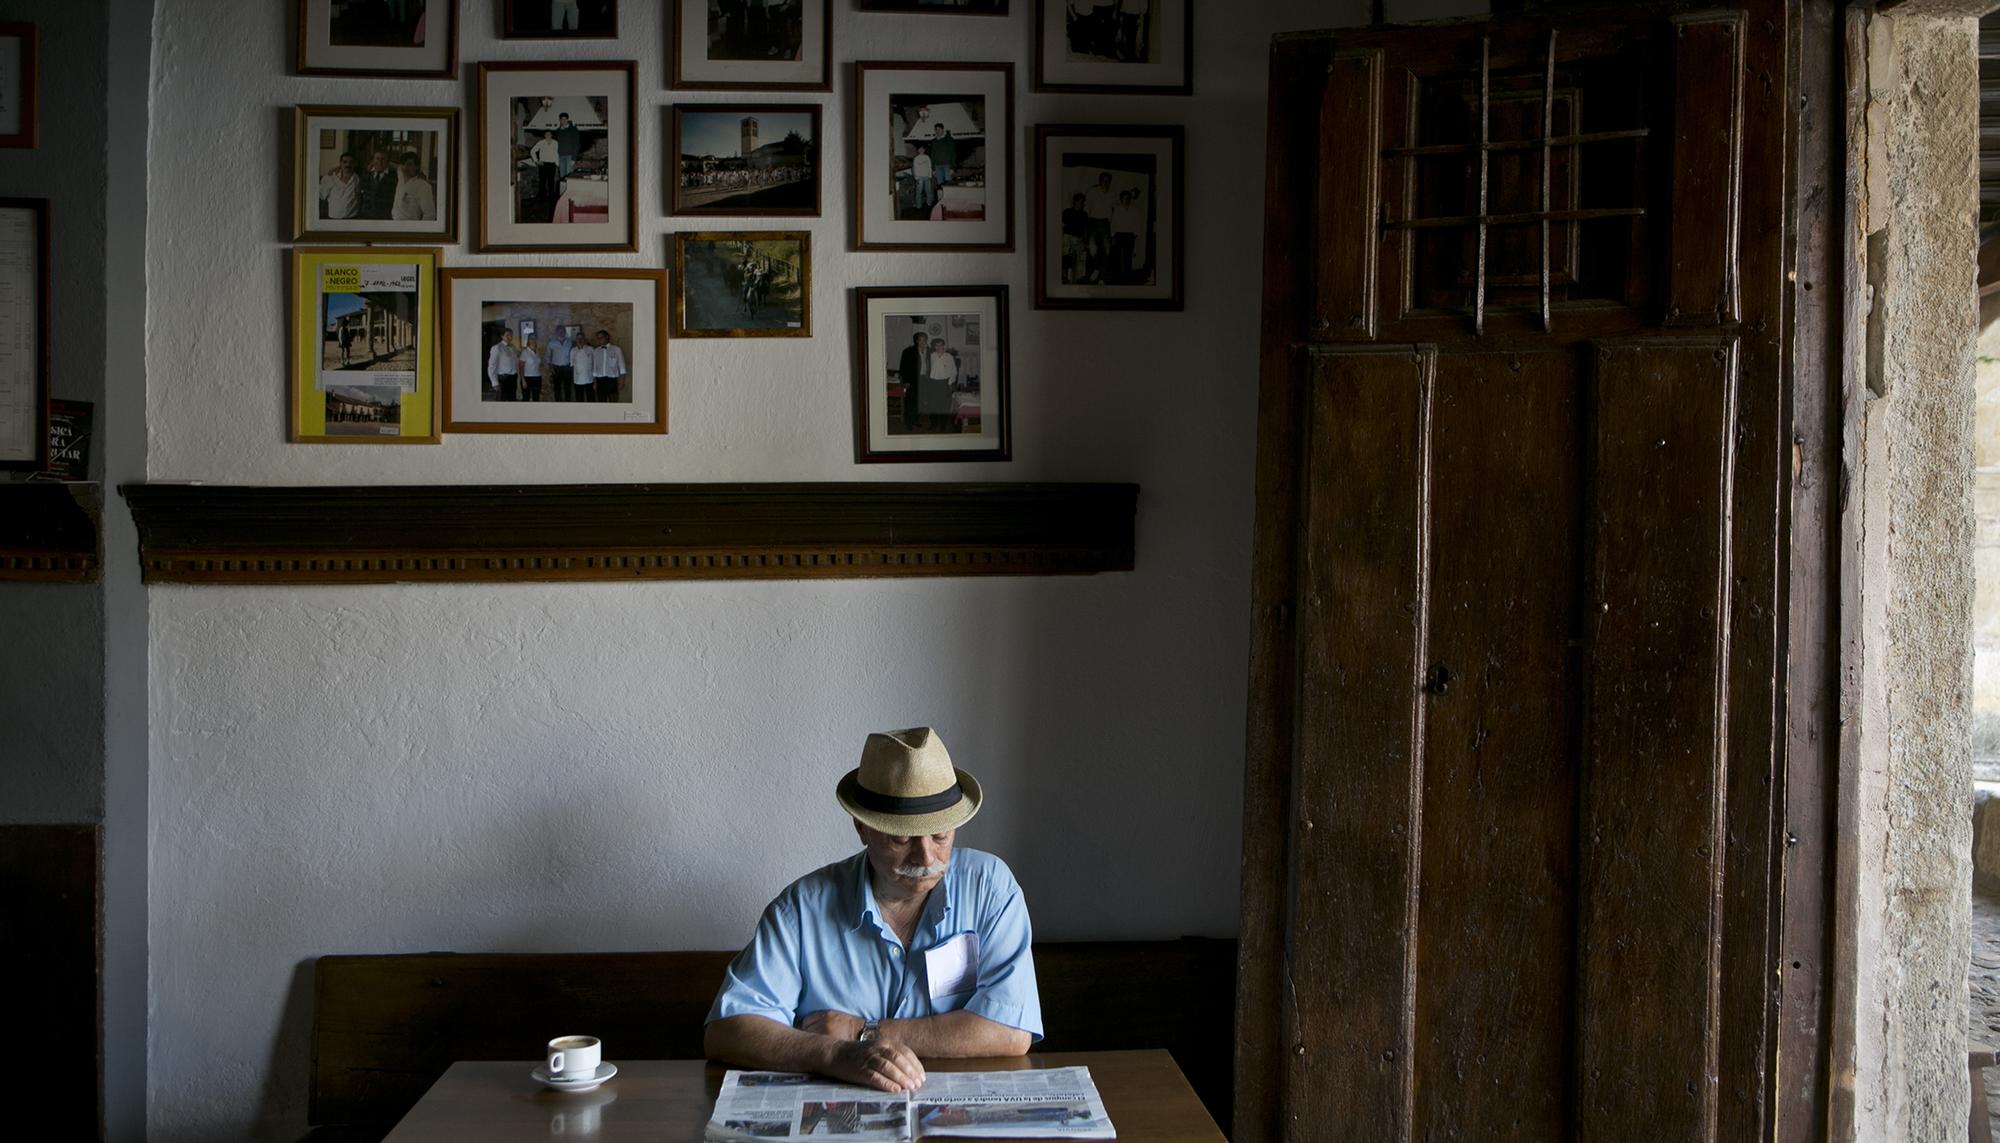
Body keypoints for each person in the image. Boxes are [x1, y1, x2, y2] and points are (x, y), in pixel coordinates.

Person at [704, 728, 1041, 1093]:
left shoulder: (990, 889)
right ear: (862, 828)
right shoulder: (802, 909)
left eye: (940, 835)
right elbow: (727, 1030)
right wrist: (834, 1055)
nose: (926, 856)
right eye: (902, 838)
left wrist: (862, 1031)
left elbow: (1011, 1032)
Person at [1083, 173, 1117, 284]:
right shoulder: (1092, 191)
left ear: (1110, 182)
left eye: (1108, 180)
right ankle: (1097, 268)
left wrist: (1112, 226)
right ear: (1100, 180)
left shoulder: (1113, 194)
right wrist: (1087, 225)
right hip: (1093, 222)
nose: (1106, 182)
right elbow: (1086, 208)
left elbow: (1115, 210)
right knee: (1092, 249)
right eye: (1104, 180)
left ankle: (1102, 276)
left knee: (1107, 250)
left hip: (1106, 223)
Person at [1110, 188, 1143, 283]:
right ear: (1121, 199)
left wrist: (1135, 234)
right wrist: (1113, 236)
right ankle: (1117, 276)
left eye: (1128, 198)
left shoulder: (1134, 209)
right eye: (1124, 198)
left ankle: (1127, 277)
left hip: (1129, 235)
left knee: (1128, 256)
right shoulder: (1117, 209)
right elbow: (1113, 223)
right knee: (1117, 256)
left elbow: (1137, 222)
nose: (1126, 200)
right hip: (1119, 235)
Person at [391, 152, 436, 221]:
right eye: (403, 164)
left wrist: (417, 227)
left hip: (409, 225)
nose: (405, 167)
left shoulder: (423, 186)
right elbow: (393, 165)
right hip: (394, 222)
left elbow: (430, 215)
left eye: (409, 164)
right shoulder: (400, 176)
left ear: (417, 167)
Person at [897, 332, 927, 433]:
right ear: (916, 340)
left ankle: (915, 420)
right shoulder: (908, 351)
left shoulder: (928, 351)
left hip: (924, 380)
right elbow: (903, 367)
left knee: (920, 402)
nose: (922, 342)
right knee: (910, 402)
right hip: (912, 380)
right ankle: (908, 423)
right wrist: (906, 381)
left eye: (924, 340)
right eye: (920, 340)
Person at [319, 152, 361, 221]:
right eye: (345, 162)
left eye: (351, 162)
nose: (348, 164)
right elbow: (322, 195)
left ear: (354, 164)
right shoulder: (330, 177)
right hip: (334, 218)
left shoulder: (357, 178)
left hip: (352, 218)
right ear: (340, 163)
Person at [588, 329, 626, 402]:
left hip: (612, 381)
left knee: (613, 401)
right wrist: (595, 382)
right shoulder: (596, 351)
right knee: (601, 402)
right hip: (600, 381)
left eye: (601, 337)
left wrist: (622, 382)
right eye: (598, 338)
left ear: (607, 337)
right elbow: (595, 368)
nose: (599, 339)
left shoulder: (617, 349)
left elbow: (622, 367)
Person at [359, 150, 398, 220]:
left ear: (388, 161)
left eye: (383, 159)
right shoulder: (365, 175)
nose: (380, 162)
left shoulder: (395, 177)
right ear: (373, 161)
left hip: (384, 218)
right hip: (366, 217)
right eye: (377, 158)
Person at [1060, 192, 1089, 283]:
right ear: (1074, 202)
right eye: (1079, 201)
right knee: (1066, 256)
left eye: (1082, 202)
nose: (1081, 203)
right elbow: (1062, 226)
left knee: (1080, 260)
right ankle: (1065, 276)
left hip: (1079, 239)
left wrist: (1085, 241)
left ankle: (1077, 279)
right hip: (1068, 237)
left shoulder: (1084, 214)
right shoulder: (1067, 212)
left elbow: (1085, 229)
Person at [486, 329, 520, 402]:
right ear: (502, 336)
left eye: (511, 335)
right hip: (503, 379)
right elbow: (491, 366)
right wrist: (494, 382)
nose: (510, 337)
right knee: (502, 401)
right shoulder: (497, 348)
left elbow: (517, 356)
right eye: (507, 335)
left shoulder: (513, 347)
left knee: (512, 400)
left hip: (513, 378)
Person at [530, 131, 561, 209]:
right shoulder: (541, 142)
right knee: (542, 182)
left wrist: (557, 164)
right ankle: (542, 200)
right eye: (546, 134)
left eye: (549, 134)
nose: (548, 135)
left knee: (551, 183)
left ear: (551, 135)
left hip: (552, 165)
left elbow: (556, 154)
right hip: (543, 165)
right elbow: (532, 151)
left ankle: (551, 200)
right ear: (544, 135)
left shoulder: (555, 143)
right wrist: (536, 161)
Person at [547, 328, 575, 402]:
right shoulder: (552, 343)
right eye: (559, 331)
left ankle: (568, 403)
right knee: (557, 388)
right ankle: (558, 404)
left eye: (562, 331)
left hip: (567, 368)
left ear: (565, 332)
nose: (561, 333)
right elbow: (548, 356)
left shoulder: (569, 342)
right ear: (556, 332)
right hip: (556, 368)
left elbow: (573, 353)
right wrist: (551, 368)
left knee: (568, 387)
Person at [928, 125, 957, 190]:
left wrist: (952, 167)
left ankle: (949, 196)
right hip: (937, 166)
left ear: (943, 130)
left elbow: (953, 153)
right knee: (940, 185)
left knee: (948, 185)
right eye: (936, 129)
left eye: (939, 129)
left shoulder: (949, 139)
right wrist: (933, 169)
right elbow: (932, 155)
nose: (938, 131)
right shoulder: (933, 141)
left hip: (947, 166)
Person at [555, 112, 581, 180]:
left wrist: (573, 158)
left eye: (565, 119)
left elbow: (577, 144)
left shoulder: (573, 129)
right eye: (562, 119)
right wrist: (556, 158)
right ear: (560, 120)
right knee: (562, 177)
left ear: (567, 120)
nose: (563, 121)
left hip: (570, 156)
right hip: (560, 156)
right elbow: (556, 144)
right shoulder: (558, 131)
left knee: (569, 177)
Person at [909, 145, 935, 216]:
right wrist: (916, 177)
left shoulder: (927, 157)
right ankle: (918, 206)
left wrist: (930, 175)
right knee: (918, 192)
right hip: (919, 178)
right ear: (918, 150)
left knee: (929, 191)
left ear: (924, 150)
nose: (921, 150)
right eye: (920, 149)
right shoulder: (916, 158)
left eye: (922, 149)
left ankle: (929, 204)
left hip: (927, 177)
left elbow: (929, 166)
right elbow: (914, 168)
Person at [520, 335, 544, 402]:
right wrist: (523, 380)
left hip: (537, 378)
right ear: (528, 340)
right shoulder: (525, 352)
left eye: (534, 338)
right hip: (527, 378)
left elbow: (537, 364)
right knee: (526, 399)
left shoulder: (537, 352)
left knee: (536, 398)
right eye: (531, 339)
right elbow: (521, 367)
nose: (533, 340)